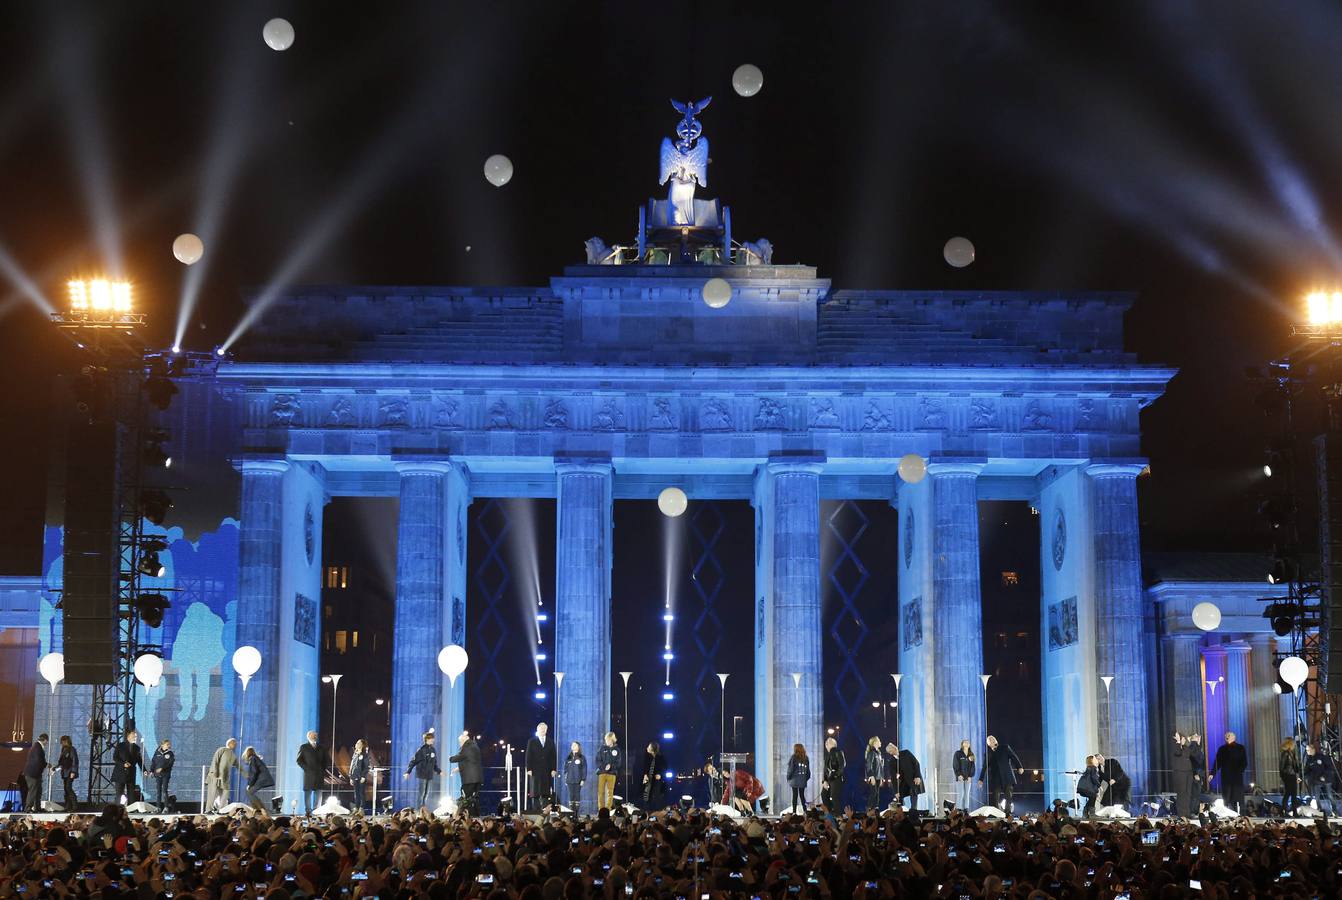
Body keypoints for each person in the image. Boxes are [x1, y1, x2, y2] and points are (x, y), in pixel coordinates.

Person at [979, 735, 1024, 814]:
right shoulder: (988, 753)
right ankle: (997, 813)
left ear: (996, 740)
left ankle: (1007, 813)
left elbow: (1014, 757)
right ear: (988, 744)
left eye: (993, 739)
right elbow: (984, 767)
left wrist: (1019, 767)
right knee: (995, 798)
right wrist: (981, 779)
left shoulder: (1004, 747)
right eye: (990, 740)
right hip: (996, 778)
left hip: (1007, 776)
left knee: (1008, 797)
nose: (992, 740)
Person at [1211, 731, 1249, 813]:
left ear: (1234, 737)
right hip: (1226, 776)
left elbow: (1244, 762)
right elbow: (1217, 763)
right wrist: (1212, 774)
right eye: (1226, 736)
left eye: (1229, 735)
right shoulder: (1222, 749)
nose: (1227, 737)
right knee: (1227, 797)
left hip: (1236, 777)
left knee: (1237, 796)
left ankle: (1239, 813)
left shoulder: (1240, 748)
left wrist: (1239, 770)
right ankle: (1227, 812)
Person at [403, 731, 441, 810]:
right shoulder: (421, 750)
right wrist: (407, 772)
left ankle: (423, 808)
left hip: (429, 775)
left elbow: (434, 763)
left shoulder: (433, 750)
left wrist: (439, 771)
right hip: (422, 774)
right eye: (431, 738)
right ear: (427, 739)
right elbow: (413, 761)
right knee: (421, 793)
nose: (433, 740)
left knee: (426, 793)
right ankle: (419, 809)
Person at [525, 722, 558, 811]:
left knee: (545, 792)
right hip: (535, 770)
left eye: (544, 729)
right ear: (537, 730)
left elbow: (553, 757)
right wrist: (529, 768)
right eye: (541, 728)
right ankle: (536, 811)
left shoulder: (550, 742)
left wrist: (554, 769)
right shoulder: (531, 741)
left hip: (547, 770)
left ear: (546, 730)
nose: (543, 730)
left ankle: (545, 811)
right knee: (535, 792)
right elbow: (528, 756)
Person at [449, 730, 482, 816]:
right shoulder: (474, 746)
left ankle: (469, 816)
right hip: (476, 778)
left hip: (469, 780)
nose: (460, 743)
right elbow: (469, 761)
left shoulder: (467, 747)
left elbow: (460, 757)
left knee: (466, 798)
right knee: (473, 798)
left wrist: (451, 758)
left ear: (464, 740)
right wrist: (457, 769)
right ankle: (475, 815)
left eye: (460, 741)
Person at [297, 731, 330, 814]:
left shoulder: (322, 747)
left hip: (319, 774)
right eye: (313, 735)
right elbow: (299, 760)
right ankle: (308, 811)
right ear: (308, 737)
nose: (315, 736)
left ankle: (317, 811)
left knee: (318, 793)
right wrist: (306, 769)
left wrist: (323, 769)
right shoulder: (304, 747)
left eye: (316, 735)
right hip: (309, 774)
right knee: (308, 793)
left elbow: (326, 760)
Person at [889, 743, 924, 815]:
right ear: (890, 752)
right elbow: (893, 777)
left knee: (913, 792)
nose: (895, 748)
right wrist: (896, 791)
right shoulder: (892, 762)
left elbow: (916, 763)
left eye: (894, 747)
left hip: (913, 778)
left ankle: (913, 811)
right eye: (892, 748)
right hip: (905, 780)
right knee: (899, 795)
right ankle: (900, 811)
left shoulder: (906, 753)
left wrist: (917, 776)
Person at [1172, 731, 1201, 817]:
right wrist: (1177, 742)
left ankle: (1187, 813)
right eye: (1183, 738)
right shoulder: (1175, 746)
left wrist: (1198, 743)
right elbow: (1178, 752)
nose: (1185, 740)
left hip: (1188, 772)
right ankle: (1182, 814)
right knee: (1182, 793)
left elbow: (1194, 754)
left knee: (1188, 793)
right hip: (1180, 772)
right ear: (1180, 739)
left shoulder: (1185, 747)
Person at [111, 730, 143, 804]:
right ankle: (118, 809)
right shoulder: (120, 745)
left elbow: (139, 760)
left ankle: (131, 810)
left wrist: (144, 770)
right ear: (128, 736)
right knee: (119, 794)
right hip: (120, 773)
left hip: (131, 774)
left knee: (131, 794)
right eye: (133, 736)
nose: (135, 737)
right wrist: (123, 764)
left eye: (135, 736)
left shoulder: (137, 748)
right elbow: (115, 757)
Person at [1305, 743, 1337, 816]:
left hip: (1326, 780)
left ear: (1313, 749)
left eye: (1308, 750)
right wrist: (1308, 777)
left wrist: (1324, 776)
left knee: (1330, 796)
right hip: (1316, 781)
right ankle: (1320, 811)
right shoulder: (1309, 759)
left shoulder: (1322, 757)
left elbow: (1329, 767)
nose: (1307, 752)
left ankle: (1334, 811)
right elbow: (1307, 770)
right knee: (1317, 797)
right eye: (1306, 750)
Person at [207, 739, 238, 810]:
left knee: (223, 793)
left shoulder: (232, 754)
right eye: (234, 743)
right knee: (215, 793)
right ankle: (210, 808)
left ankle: (221, 808)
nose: (236, 745)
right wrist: (215, 772)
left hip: (224, 778)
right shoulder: (222, 750)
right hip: (217, 776)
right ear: (229, 743)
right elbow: (216, 761)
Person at [242, 746, 274, 813]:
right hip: (262, 779)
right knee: (250, 792)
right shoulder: (255, 758)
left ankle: (260, 809)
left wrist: (249, 784)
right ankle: (258, 809)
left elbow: (254, 772)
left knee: (249, 792)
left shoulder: (253, 759)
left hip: (262, 780)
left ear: (247, 753)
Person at [595, 732, 622, 811]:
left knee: (610, 792)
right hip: (602, 773)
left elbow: (618, 763)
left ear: (612, 740)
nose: (607, 741)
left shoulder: (617, 750)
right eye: (606, 740)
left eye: (608, 740)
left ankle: (608, 809)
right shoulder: (602, 748)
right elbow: (597, 760)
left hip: (612, 773)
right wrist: (603, 767)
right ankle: (601, 809)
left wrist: (611, 766)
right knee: (600, 792)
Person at [22, 733, 48, 812]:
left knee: (38, 791)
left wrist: (46, 764)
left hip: (35, 774)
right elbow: (38, 760)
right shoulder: (37, 747)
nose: (47, 743)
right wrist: (45, 765)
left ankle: (37, 807)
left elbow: (39, 760)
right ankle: (28, 808)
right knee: (33, 791)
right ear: (45, 740)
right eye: (47, 741)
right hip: (33, 774)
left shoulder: (37, 746)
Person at [149, 738, 174, 811]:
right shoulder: (157, 752)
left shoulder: (170, 753)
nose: (169, 746)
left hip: (166, 774)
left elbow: (170, 764)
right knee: (158, 791)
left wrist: (162, 768)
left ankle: (166, 807)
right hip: (158, 775)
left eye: (169, 744)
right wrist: (151, 771)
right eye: (167, 744)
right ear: (162, 745)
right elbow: (153, 762)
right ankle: (158, 807)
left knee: (164, 790)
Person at [821, 737, 846, 812]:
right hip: (829, 779)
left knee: (834, 797)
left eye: (827, 744)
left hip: (836, 779)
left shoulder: (838, 752)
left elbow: (842, 766)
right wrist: (824, 781)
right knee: (824, 795)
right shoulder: (827, 755)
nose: (826, 745)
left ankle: (837, 814)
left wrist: (834, 775)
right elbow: (825, 769)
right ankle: (830, 812)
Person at [348, 739, 372, 813]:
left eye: (358, 743)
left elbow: (366, 766)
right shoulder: (355, 754)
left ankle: (362, 808)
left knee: (362, 793)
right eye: (357, 743)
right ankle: (356, 807)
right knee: (356, 793)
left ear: (362, 745)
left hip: (361, 777)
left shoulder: (364, 755)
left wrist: (363, 776)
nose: (356, 744)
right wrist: (351, 777)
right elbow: (352, 766)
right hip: (354, 776)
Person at [641, 741, 667, 809]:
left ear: (652, 749)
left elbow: (664, 767)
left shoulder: (660, 757)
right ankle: (646, 809)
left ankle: (654, 810)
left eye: (649, 747)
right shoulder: (647, 757)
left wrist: (660, 774)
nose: (647, 748)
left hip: (656, 780)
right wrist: (645, 775)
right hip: (648, 779)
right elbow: (644, 767)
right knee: (646, 794)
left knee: (655, 796)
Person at [786, 743, 811, 814]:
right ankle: (805, 811)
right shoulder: (806, 758)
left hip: (794, 780)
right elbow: (808, 772)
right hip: (802, 780)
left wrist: (788, 777)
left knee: (795, 796)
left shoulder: (793, 757)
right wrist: (805, 779)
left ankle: (794, 812)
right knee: (802, 796)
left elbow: (791, 769)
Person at [564, 740, 587, 813]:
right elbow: (565, 769)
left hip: (578, 780)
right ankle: (571, 812)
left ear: (578, 747)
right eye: (572, 745)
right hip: (569, 780)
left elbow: (584, 769)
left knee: (577, 795)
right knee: (571, 796)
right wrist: (565, 778)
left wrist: (583, 779)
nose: (573, 746)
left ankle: (576, 813)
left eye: (575, 745)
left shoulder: (582, 757)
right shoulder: (568, 757)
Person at [952, 739, 975, 811]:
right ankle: (958, 809)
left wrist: (970, 776)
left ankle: (966, 809)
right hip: (960, 777)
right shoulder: (958, 753)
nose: (967, 743)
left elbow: (973, 766)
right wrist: (958, 774)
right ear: (962, 744)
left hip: (968, 778)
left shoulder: (971, 755)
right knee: (961, 793)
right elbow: (955, 764)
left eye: (968, 742)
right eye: (965, 742)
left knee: (967, 794)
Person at [57, 735, 78, 812]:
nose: (62, 743)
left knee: (68, 788)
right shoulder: (64, 750)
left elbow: (74, 761)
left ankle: (74, 806)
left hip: (69, 772)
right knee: (66, 789)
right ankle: (67, 806)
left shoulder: (71, 749)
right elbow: (61, 762)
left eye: (63, 741)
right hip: (65, 772)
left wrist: (73, 771)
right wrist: (56, 767)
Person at [1280, 737, 1301, 816]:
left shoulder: (1292, 753)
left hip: (1292, 775)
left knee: (1293, 794)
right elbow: (1282, 767)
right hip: (1288, 776)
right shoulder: (1285, 753)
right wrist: (1283, 777)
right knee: (1288, 793)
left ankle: (1293, 811)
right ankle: (1283, 810)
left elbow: (1295, 766)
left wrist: (1297, 775)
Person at [863, 737, 884, 812]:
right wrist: (871, 776)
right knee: (874, 793)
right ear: (875, 742)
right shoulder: (871, 753)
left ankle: (875, 810)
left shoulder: (878, 753)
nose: (880, 742)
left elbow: (880, 767)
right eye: (879, 741)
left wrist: (881, 777)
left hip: (878, 777)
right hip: (873, 777)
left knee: (877, 794)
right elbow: (869, 765)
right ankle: (869, 809)